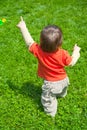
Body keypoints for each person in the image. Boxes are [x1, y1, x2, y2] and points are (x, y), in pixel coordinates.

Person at [17, 17, 81, 117]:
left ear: (41, 41)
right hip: (64, 80)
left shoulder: (38, 51)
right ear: (60, 43)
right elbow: (71, 63)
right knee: (62, 89)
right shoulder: (63, 54)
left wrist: (23, 27)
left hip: (50, 84)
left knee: (48, 99)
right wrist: (76, 52)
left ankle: (50, 113)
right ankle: (62, 94)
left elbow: (29, 42)